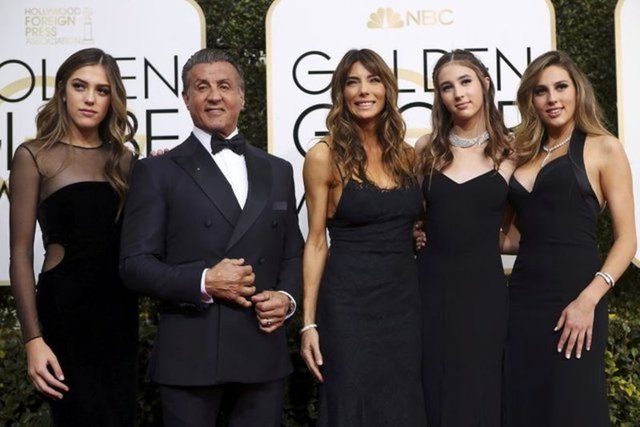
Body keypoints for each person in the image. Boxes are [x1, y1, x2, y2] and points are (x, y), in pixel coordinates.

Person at [118, 48, 304, 426]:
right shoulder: (157, 170)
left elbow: (292, 252)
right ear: (186, 99)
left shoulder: (278, 170)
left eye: (224, 85)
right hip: (191, 353)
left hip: (261, 348)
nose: (214, 96)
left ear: (242, 97)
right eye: (201, 87)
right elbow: (133, 265)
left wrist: (286, 298)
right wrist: (204, 281)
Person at [504, 50, 636, 426]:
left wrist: (588, 300)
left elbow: (627, 240)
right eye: (541, 91)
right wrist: (437, 233)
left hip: (575, 296)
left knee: (572, 406)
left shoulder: (603, 147)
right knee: (522, 404)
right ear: (530, 99)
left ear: (577, 91)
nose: (552, 98)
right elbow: (511, 239)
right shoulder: (522, 152)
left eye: (561, 87)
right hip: (522, 298)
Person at [8, 48, 138, 426]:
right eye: (80, 86)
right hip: (64, 313)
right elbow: (19, 254)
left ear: (112, 99)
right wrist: (33, 340)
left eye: (101, 90)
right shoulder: (34, 155)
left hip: (119, 313)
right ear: (63, 91)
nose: (90, 98)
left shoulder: (125, 160)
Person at [300, 48, 426, 426]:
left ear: (387, 89)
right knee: (350, 401)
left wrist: (418, 234)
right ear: (341, 93)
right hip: (348, 307)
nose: (363, 90)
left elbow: (414, 220)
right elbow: (316, 241)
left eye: (373, 80)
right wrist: (308, 323)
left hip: (404, 302)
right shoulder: (324, 156)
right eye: (352, 82)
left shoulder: (407, 156)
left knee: (402, 402)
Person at [414, 49, 515, 426]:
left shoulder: (513, 151)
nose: (458, 93)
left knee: (482, 387)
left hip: (485, 293)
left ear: (485, 83)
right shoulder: (426, 150)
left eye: (466, 81)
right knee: (432, 386)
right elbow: (414, 215)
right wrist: (414, 231)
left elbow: (523, 229)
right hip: (429, 289)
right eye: (446, 87)